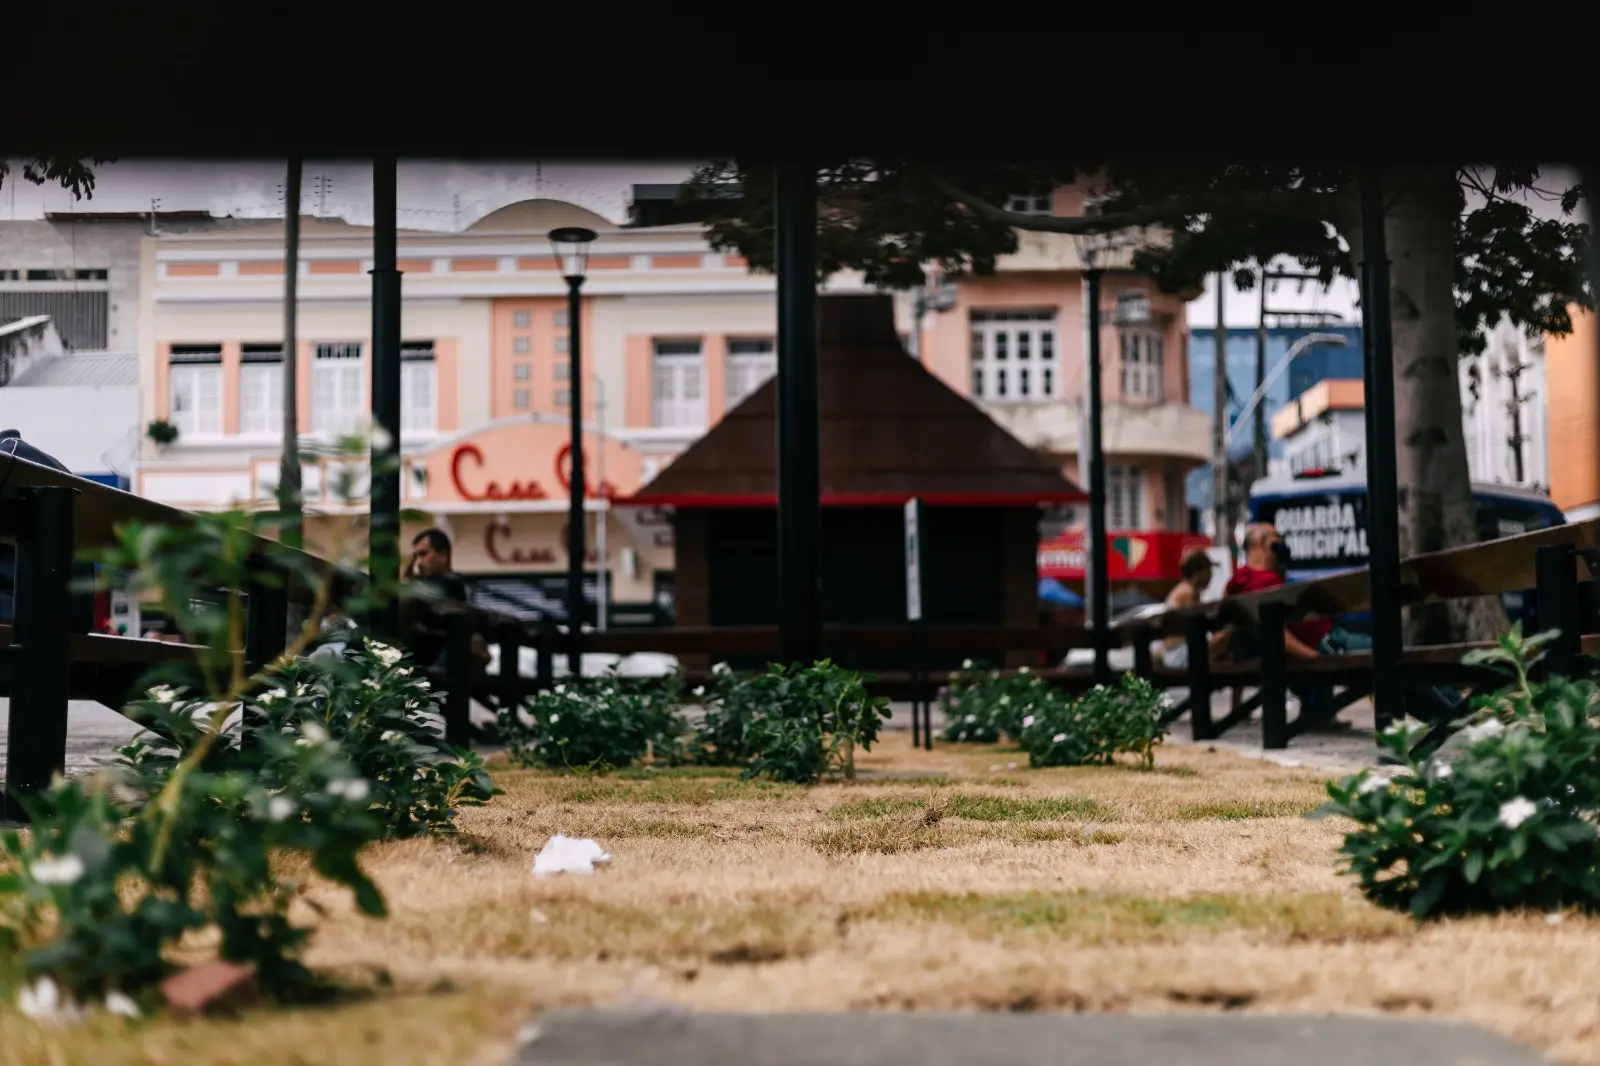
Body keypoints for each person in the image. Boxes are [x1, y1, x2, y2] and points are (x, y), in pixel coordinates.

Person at [1154, 549, 1228, 669]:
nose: (1211, 575)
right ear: (1198, 572)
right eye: (1209, 570)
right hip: (1179, 653)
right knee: (1228, 633)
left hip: (1178, 651)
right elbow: (1198, 626)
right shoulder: (1188, 593)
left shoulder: (1187, 589)